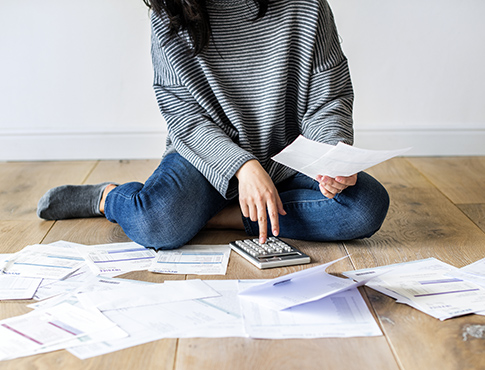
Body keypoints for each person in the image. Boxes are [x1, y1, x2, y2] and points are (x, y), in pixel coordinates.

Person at [37, 0, 390, 250]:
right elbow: (184, 116)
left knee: (365, 206)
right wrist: (243, 167)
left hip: (288, 158)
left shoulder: (306, 5)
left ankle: (217, 217)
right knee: (156, 222)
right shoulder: (170, 12)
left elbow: (329, 96)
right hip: (204, 156)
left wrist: (331, 159)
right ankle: (108, 197)